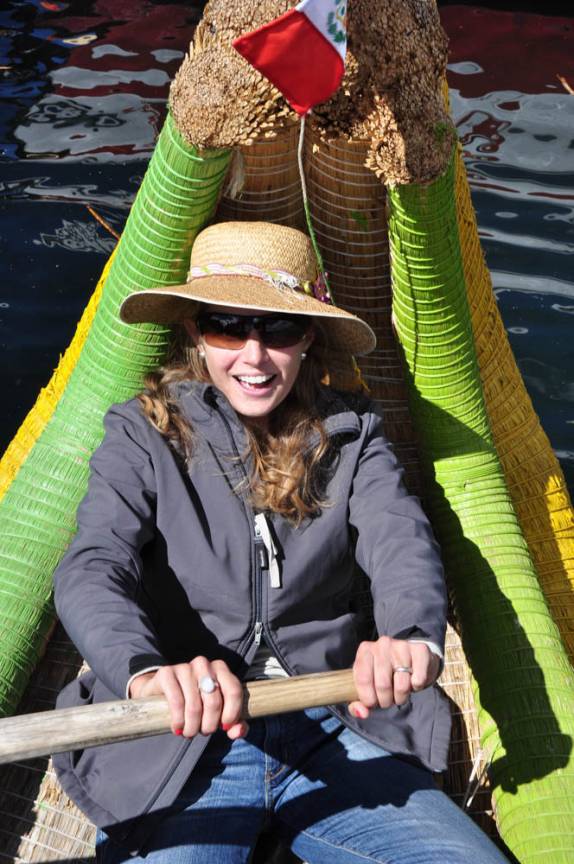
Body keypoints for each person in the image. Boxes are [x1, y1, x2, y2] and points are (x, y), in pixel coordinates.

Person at [53, 221, 508, 864]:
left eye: (279, 329)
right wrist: (149, 674)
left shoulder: (353, 433)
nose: (255, 356)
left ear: (308, 337)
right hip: (184, 734)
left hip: (336, 721)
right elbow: (95, 563)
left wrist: (411, 635)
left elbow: (399, 537)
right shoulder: (141, 434)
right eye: (227, 326)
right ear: (195, 332)